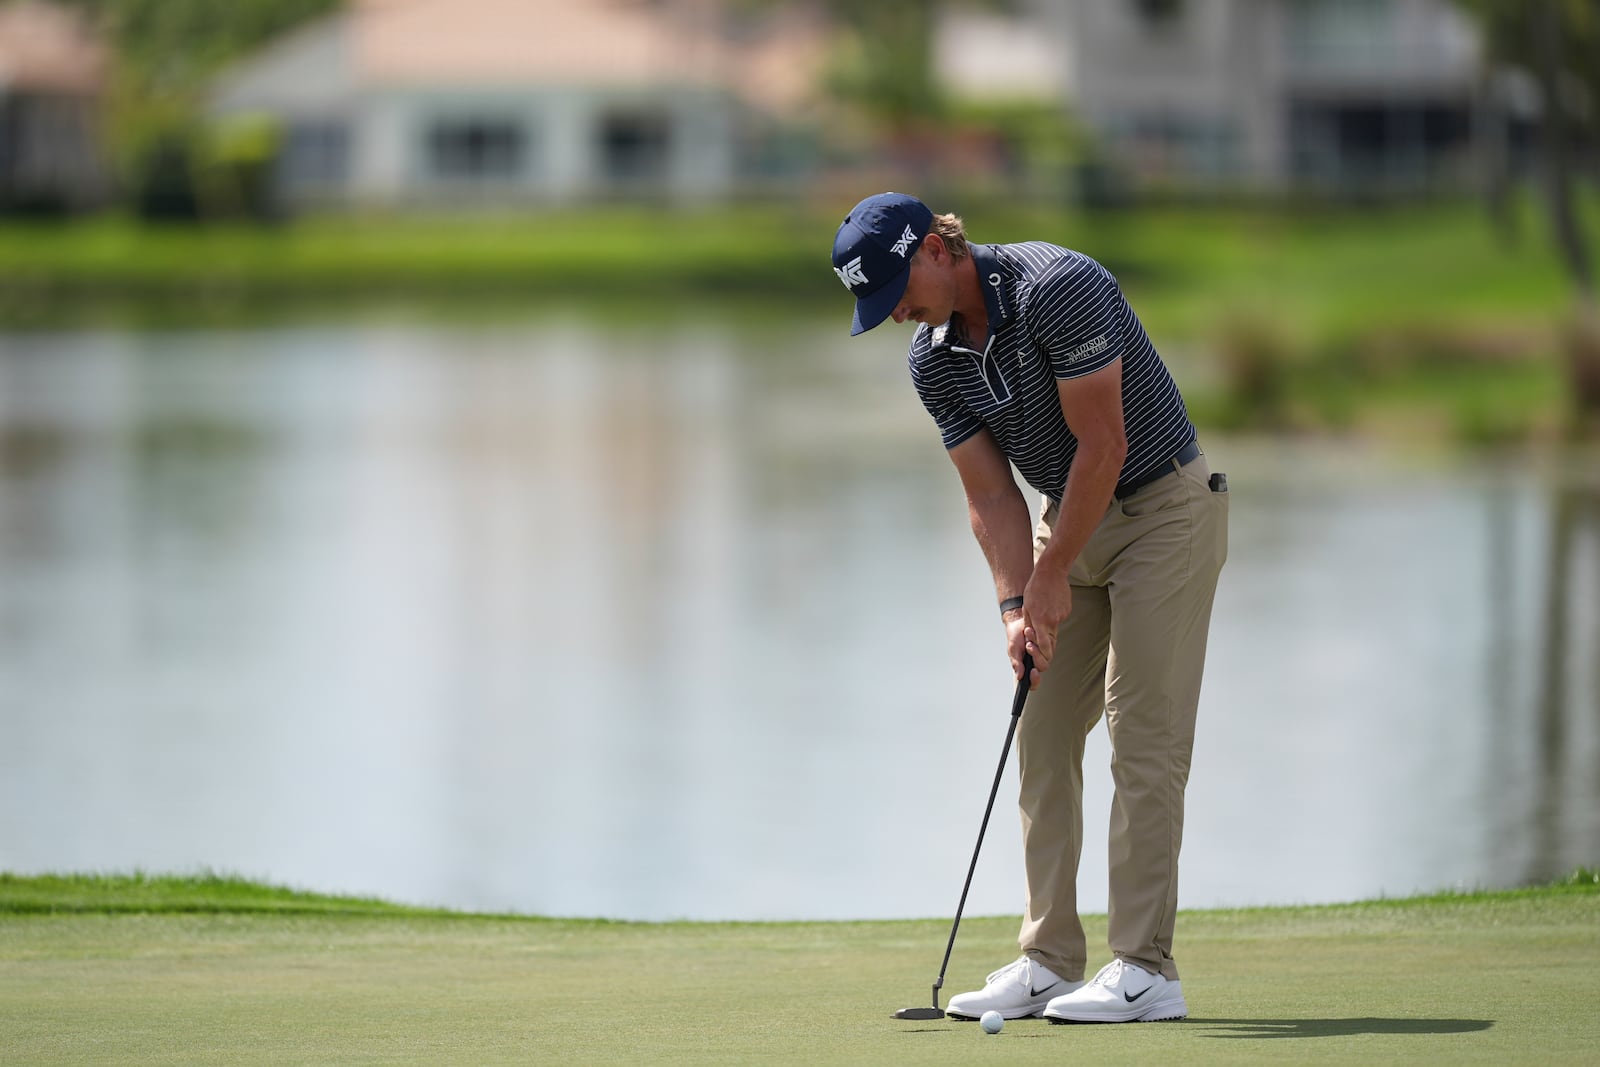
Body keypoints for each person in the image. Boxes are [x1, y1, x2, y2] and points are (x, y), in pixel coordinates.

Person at [833, 192, 1228, 1024]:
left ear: (936, 248)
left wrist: (1051, 574)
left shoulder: (1057, 286)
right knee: (1041, 729)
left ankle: (1146, 968)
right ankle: (1048, 957)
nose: (895, 311)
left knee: (1141, 734)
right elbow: (990, 494)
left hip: (1163, 510)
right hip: (1066, 524)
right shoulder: (930, 360)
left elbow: (1106, 444)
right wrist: (1018, 603)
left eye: (896, 287)